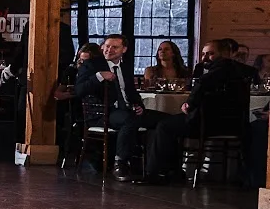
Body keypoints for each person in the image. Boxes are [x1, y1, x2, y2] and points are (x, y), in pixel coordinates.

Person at [146, 39, 252, 182]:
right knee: (170, 123)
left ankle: (157, 173)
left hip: (209, 124)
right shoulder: (246, 71)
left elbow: (202, 84)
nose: (204, 58)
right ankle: (173, 171)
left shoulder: (217, 71)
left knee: (165, 126)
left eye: (210, 53)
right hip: (237, 125)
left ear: (224, 53)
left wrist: (189, 103)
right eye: (203, 54)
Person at [75, 33, 148, 181]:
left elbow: (131, 93)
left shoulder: (125, 67)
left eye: (115, 47)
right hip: (103, 112)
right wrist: (99, 76)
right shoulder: (92, 65)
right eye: (107, 46)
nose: (109, 50)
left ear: (124, 49)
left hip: (126, 110)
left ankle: (158, 168)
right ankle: (120, 163)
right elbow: (79, 90)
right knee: (130, 120)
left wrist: (139, 105)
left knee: (163, 120)